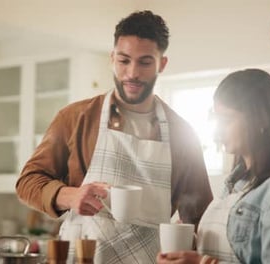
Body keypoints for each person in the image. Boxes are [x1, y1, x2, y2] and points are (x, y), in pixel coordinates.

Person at [16, 10, 213, 263]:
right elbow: (27, 182)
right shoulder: (76, 117)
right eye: (124, 61)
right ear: (112, 58)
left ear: (162, 64)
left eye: (144, 62)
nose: (132, 73)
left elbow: (200, 217)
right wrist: (70, 195)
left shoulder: (182, 134)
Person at [157, 69, 270, 264]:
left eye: (226, 120)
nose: (217, 133)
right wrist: (194, 245)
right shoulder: (236, 184)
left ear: (261, 119)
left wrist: (202, 263)